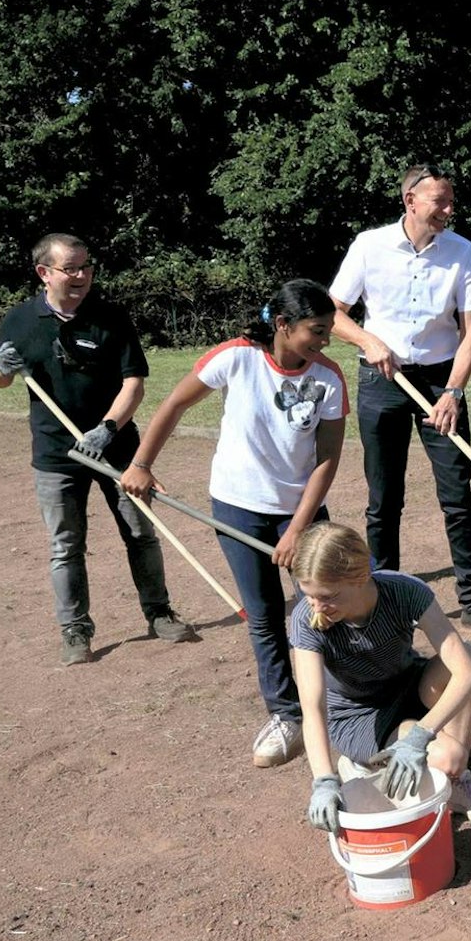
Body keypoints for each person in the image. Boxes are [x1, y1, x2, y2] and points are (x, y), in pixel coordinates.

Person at [120, 280, 348, 767]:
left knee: (328, 603)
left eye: (328, 331)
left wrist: (295, 530)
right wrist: (141, 463)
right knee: (264, 615)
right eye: (316, 331)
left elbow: (327, 459)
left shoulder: (328, 378)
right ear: (282, 325)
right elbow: (174, 404)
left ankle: (348, 701)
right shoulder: (236, 357)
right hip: (238, 507)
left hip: (300, 512)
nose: (325, 341)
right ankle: (288, 716)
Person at [0, 232, 197, 665]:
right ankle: (75, 629)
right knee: (66, 544)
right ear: (45, 273)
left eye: (86, 266)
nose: (82, 275)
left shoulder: (111, 318)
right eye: (71, 268)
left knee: (141, 533)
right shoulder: (21, 320)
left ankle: (158, 613)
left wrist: (107, 428)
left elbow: (133, 384)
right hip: (55, 455)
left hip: (115, 449)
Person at [328, 163, 471, 641]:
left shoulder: (462, 252)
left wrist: (453, 392)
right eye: (440, 202)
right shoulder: (369, 246)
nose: (449, 210)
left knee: (457, 496)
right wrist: (368, 341)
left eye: (451, 201)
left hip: (439, 381)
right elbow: (334, 312)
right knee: (383, 500)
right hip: (382, 377)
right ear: (410, 201)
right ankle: (381, 602)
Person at [290, 523, 471, 832]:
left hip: (407, 685)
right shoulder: (306, 620)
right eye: (309, 596)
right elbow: (313, 708)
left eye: (328, 596)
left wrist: (420, 737)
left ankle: (455, 780)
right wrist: (324, 781)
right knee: (447, 757)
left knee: (467, 656)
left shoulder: (403, 591)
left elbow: (464, 672)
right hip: (361, 717)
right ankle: (403, 766)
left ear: (361, 577)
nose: (317, 606)